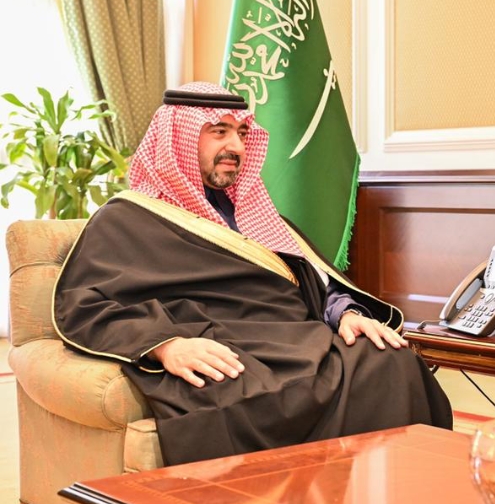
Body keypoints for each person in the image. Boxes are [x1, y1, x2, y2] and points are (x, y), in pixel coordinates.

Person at [53, 83, 453, 466]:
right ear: (178, 138)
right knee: (240, 395)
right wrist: (166, 346)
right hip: (221, 344)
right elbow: (85, 304)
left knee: (391, 362)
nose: (236, 147)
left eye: (242, 133)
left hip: (295, 336)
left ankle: (386, 502)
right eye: (219, 132)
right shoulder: (125, 219)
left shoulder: (252, 212)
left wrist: (345, 313)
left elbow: (310, 277)